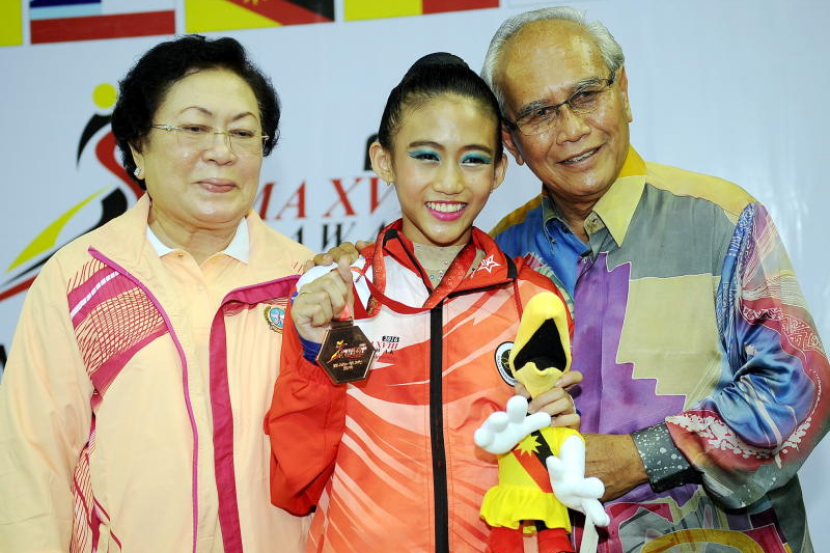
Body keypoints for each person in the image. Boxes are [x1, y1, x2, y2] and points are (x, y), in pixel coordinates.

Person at [480, 6, 830, 552]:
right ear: (512, 141)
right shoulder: (499, 258)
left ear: (623, 91)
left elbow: (801, 390)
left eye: (586, 95)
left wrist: (643, 456)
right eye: (540, 113)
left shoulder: (719, 220)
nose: (572, 130)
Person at [266, 53, 602, 553]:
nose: (450, 182)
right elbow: (296, 481)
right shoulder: (341, 299)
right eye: (426, 155)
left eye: (473, 159)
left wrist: (554, 437)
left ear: (499, 170)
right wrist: (315, 354)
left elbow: (554, 489)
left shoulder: (531, 299)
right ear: (384, 160)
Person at [0, 36, 311, 553]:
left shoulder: (306, 281)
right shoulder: (81, 279)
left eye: (242, 133)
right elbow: (32, 464)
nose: (221, 152)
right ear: (138, 147)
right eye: (194, 128)